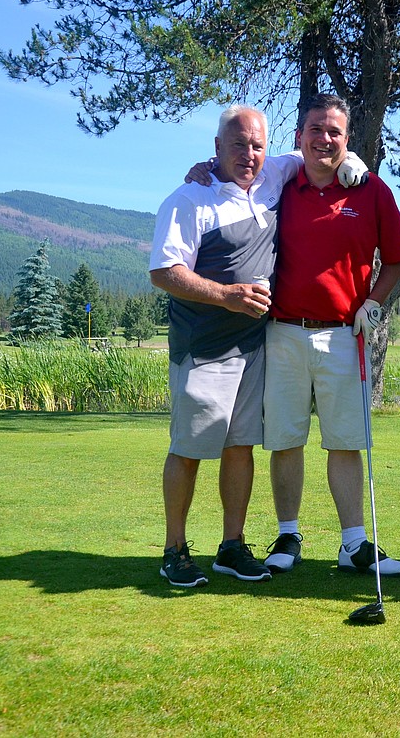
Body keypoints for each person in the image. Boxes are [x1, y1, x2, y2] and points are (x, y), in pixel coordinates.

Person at [259, 93, 400, 578]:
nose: (324, 139)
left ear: (347, 141)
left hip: (346, 335)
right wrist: (202, 167)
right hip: (283, 331)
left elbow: (396, 257)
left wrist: (374, 302)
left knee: (345, 442)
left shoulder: (371, 191)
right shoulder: (277, 183)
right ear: (299, 136)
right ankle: (288, 535)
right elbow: (230, 166)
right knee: (286, 439)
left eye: (334, 132)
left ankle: (353, 544)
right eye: (315, 129)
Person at [148, 104, 301, 588]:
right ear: (216, 148)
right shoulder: (188, 199)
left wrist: (354, 163)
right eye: (238, 145)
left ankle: (231, 547)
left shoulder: (277, 172)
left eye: (257, 145)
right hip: (203, 348)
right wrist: (226, 295)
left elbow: (324, 148)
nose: (250, 154)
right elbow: (164, 272)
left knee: (240, 447)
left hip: (253, 348)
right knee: (189, 450)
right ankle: (174, 549)